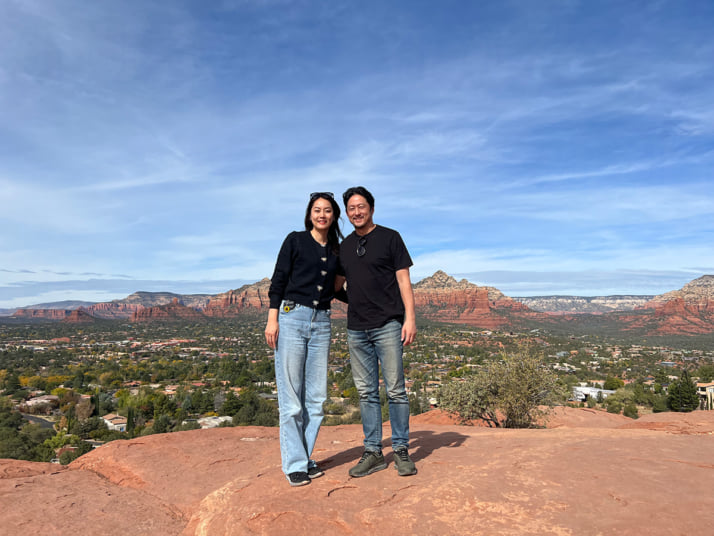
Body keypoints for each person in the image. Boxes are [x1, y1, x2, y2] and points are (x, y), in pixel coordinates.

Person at [337, 186, 418, 478]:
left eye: (361, 206)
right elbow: (336, 286)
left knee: (396, 391)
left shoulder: (390, 238)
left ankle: (401, 450)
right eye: (351, 208)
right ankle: (373, 452)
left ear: (371, 208)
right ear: (346, 213)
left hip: (388, 325)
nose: (356, 212)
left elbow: (404, 281)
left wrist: (409, 318)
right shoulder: (344, 246)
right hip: (357, 329)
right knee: (367, 393)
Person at [265, 192, 343, 487]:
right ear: (309, 214)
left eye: (327, 211)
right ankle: (295, 464)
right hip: (291, 317)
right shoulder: (295, 240)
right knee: (291, 398)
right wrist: (272, 320)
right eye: (316, 210)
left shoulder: (337, 250)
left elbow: (338, 289)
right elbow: (279, 280)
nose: (321, 215)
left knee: (317, 400)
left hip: (322, 321)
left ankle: (304, 457)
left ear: (334, 216)